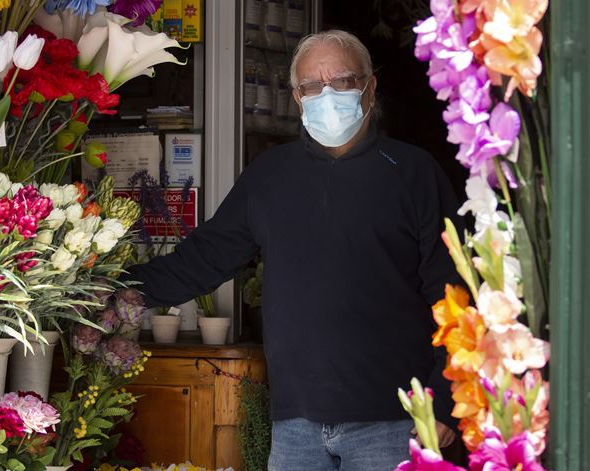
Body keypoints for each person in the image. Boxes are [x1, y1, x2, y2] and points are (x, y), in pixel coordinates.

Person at [125, 30, 460, 470]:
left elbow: (454, 293)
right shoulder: (269, 177)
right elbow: (203, 261)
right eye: (312, 86)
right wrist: (109, 288)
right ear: (297, 96)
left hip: (394, 420)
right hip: (296, 426)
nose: (327, 95)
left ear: (370, 86)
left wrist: (443, 401)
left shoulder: (414, 173)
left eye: (341, 81)